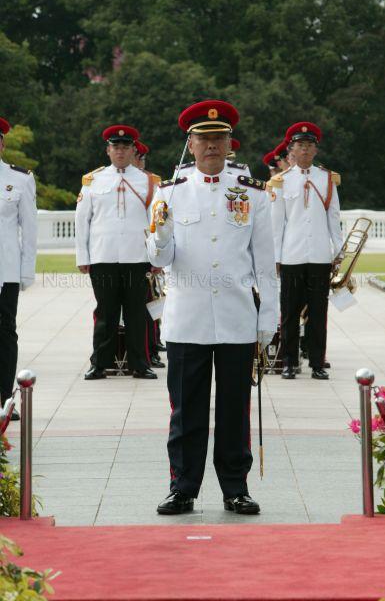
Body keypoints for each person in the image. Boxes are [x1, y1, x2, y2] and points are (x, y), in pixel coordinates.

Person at [147, 99, 278, 515]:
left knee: (235, 408)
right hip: (188, 319)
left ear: (229, 143)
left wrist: (268, 318)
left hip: (238, 316)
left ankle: (235, 487)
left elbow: (265, 261)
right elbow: (158, 258)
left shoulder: (253, 195)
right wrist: (162, 233)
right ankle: (182, 487)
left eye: (219, 138)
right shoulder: (168, 194)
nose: (212, 146)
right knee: (186, 409)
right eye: (204, 139)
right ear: (191, 142)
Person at [75, 124, 158, 380]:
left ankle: (140, 363)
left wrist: (156, 258)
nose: (120, 151)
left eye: (125, 147)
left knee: (137, 313)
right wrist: (83, 257)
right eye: (115, 147)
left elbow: (156, 221)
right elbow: (82, 220)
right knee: (105, 312)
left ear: (134, 150)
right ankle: (100, 363)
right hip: (103, 256)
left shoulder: (148, 181)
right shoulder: (93, 180)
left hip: (137, 257)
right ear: (108, 150)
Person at [269, 122, 343, 380]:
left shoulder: (327, 178)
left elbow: (334, 217)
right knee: (289, 311)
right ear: (292, 149)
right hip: (291, 255)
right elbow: (277, 224)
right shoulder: (281, 182)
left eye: (310, 146)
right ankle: (290, 361)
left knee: (318, 313)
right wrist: (276, 258)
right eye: (300, 146)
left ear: (315, 150)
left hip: (320, 255)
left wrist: (338, 251)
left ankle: (317, 362)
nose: (305, 151)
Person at [0, 116, 37, 419]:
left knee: (5, 334)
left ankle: (3, 400)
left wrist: (26, 272)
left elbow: (30, 228)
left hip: (5, 272)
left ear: (2, 143)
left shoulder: (20, 179)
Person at [132, 140, 166, 369]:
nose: (140, 163)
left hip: (147, 252)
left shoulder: (152, 183)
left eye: (141, 159)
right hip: (131, 253)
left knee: (152, 303)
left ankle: (152, 348)